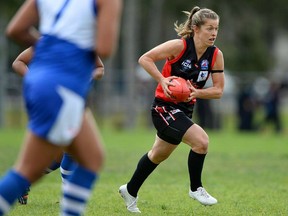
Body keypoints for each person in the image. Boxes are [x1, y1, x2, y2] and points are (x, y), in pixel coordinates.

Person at [0, 0, 122, 215]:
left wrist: (49, 46)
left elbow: (16, 29)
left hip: (42, 82)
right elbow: (105, 47)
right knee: (29, 169)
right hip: (63, 85)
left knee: (91, 158)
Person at [119, 6, 225, 213]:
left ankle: (129, 190)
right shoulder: (179, 46)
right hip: (163, 107)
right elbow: (145, 59)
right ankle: (196, 188)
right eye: (209, 28)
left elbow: (219, 90)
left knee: (157, 155)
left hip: (185, 110)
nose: (214, 33)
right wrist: (162, 79)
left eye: (216, 29)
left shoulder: (215, 55)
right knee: (201, 142)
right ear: (196, 28)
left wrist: (196, 93)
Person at [12, 47, 106, 205]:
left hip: (74, 100)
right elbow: (18, 62)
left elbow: (100, 68)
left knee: (60, 152)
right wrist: (37, 80)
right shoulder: (49, 40)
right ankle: (67, 195)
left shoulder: (83, 42)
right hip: (51, 101)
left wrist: (88, 76)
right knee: (75, 146)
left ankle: (23, 181)